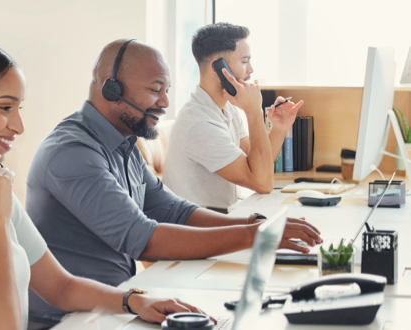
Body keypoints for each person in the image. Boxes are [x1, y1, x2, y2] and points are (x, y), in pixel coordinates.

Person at [0, 36, 206, 330]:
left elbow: (61, 287)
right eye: (5, 107)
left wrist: (133, 301)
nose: (18, 126)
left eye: (18, 108)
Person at [26, 38, 322, 323]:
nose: (166, 101)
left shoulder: (123, 143)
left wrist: (255, 225)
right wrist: (254, 237)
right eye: (156, 90)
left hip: (120, 304)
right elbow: (142, 238)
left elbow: (176, 211)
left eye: (167, 90)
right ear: (111, 89)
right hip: (71, 319)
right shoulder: (71, 152)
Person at [163, 22, 303, 212]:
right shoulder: (199, 123)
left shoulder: (226, 109)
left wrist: (278, 128)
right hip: (199, 232)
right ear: (219, 68)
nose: (251, 70)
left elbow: (258, 166)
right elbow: (262, 182)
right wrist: (254, 111)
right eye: (244, 62)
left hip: (221, 220)